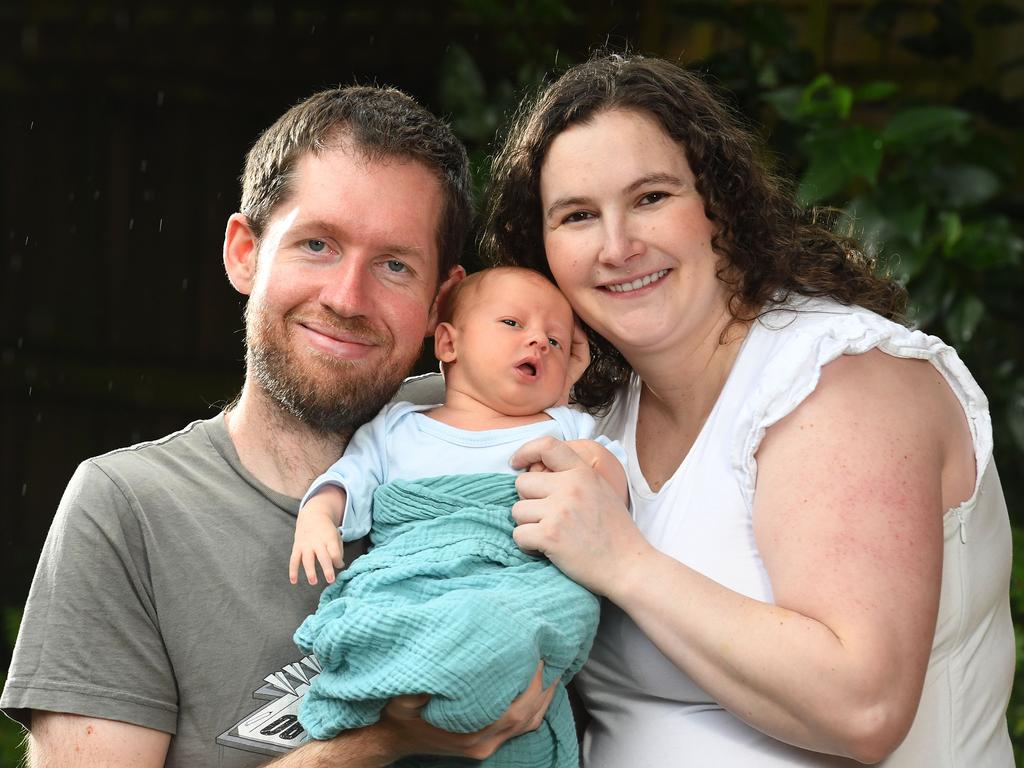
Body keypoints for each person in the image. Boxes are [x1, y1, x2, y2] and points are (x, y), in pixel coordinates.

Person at [481, 53, 1014, 766]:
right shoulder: (597, 416)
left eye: (651, 198)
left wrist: (623, 561)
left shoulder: (841, 377)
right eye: (577, 216)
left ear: (719, 203)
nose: (617, 246)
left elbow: (864, 705)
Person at [1, 85, 554, 768]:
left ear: (444, 301)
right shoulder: (130, 509)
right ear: (244, 253)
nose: (347, 299)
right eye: (317, 244)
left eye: (393, 265)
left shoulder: (522, 448)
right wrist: (381, 742)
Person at [289, 266, 627, 767]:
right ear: (448, 343)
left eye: (556, 342)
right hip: (415, 570)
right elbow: (351, 476)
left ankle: (461, 674)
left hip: (514, 577)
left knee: (549, 607)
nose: (538, 340)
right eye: (512, 324)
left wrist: (586, 464)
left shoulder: (566, 424)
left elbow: (610, 496)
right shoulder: (397, 426)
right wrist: (317, 517)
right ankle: (439, 674)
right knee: (383, 611)